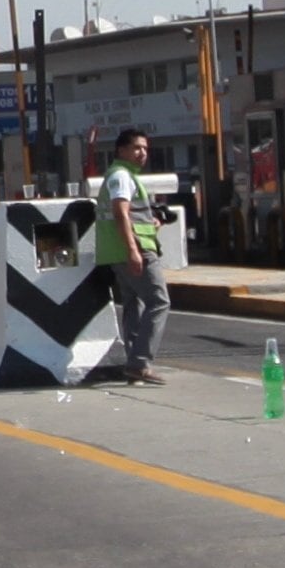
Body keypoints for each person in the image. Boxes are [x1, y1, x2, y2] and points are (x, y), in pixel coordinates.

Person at [94, 125, 167, 383]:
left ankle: (133, 363)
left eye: (145, 148)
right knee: (159, 301)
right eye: (136, 148)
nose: (142, 153)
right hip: (133, 251)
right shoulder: (121, 175)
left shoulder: (121, 175)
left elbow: (131, 215)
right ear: (121, 150)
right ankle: (139, 362)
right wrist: (134, 251)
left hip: (119, 251)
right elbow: (120, 213)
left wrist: (153, 223)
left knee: (134, 304)